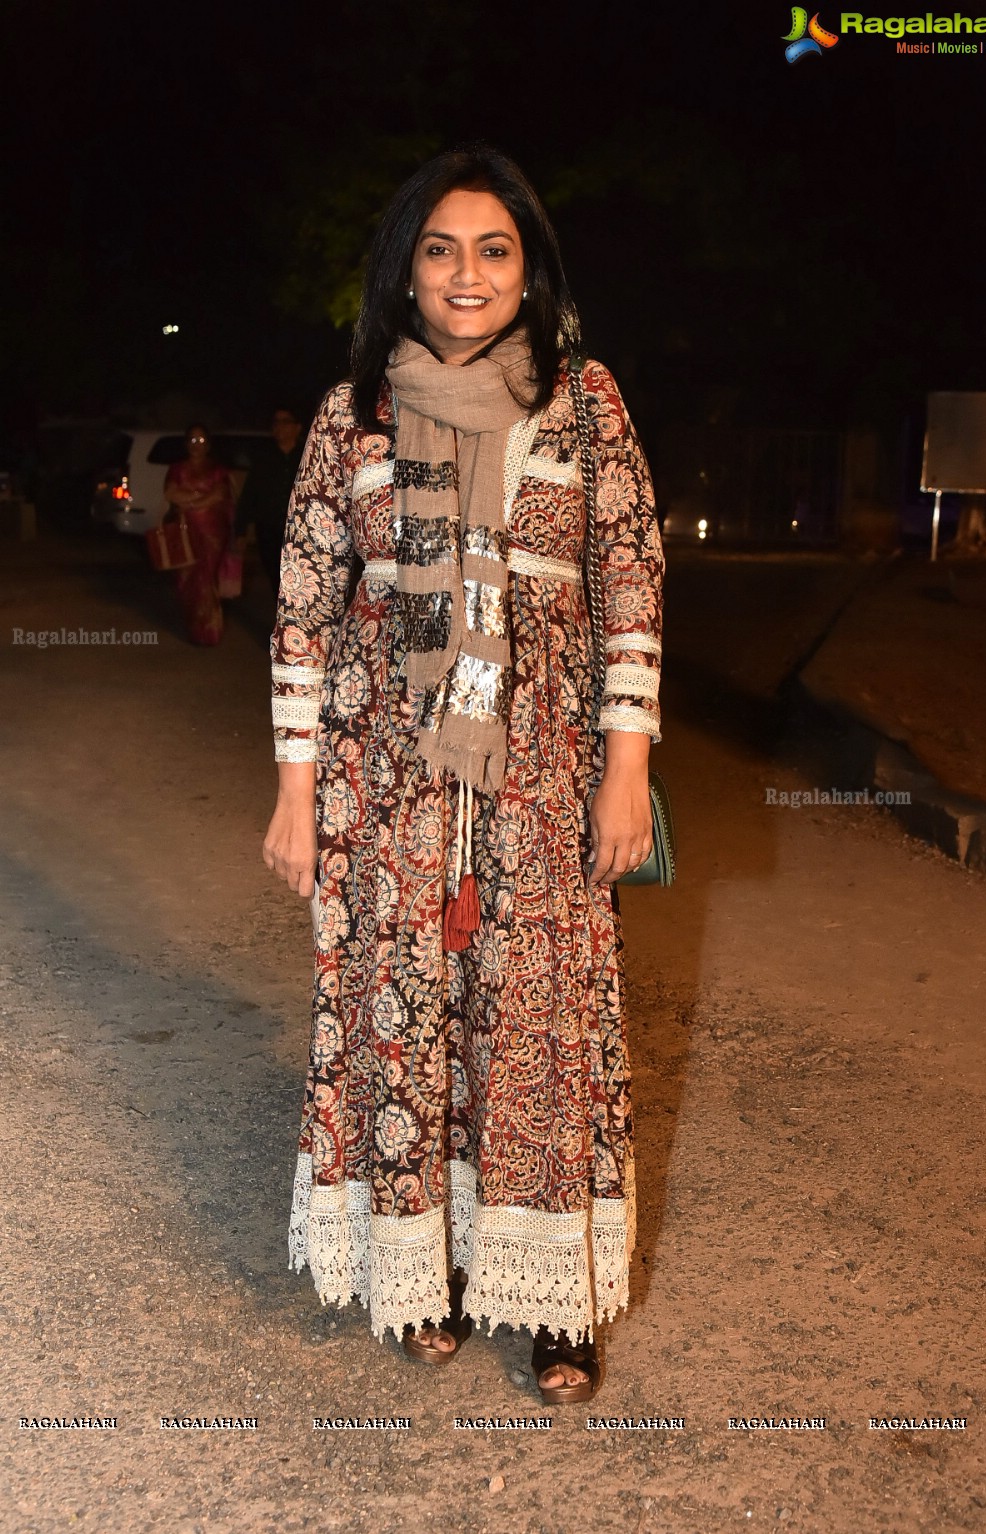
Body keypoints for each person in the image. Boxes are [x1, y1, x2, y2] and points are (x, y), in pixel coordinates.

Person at [262, 147, 664, 1403]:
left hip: (545, 770)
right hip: (387, 775)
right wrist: (292, 792)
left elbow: (631, 585)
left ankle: (555, 1305)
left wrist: (626, 769)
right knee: (406, 1014)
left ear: (529, 270)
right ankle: (420, 1275)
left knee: (540, 1022)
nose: (468, 273)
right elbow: (304, 609)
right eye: (440, 249)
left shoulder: (583, 403)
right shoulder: (353, 416)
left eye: (493, 250)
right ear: (406, 271)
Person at [163, 424, 234, 645]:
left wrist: (191, 500)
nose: (197, 445)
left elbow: (219, 494)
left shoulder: (218, 470)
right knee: (187, 579)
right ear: (186, 444)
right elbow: (171, 493)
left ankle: (209, 631)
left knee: (206, 579)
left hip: (212, 532)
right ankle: (194, 626)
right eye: (193, 441)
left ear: (209, 444)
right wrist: (199, 500)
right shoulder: (177, 468)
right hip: (186, 531)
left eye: (201, 441)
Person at [236, 408, 307, 591]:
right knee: (275, 575)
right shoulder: (264, 458)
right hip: (269, 527)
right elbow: (249, 493)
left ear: (297, 427)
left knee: (300, 575)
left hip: (299, 528)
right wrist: (240, 530)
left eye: (285, 422)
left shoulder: (307, 456)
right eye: (276, 423)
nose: (280, 427)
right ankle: (281, 616)